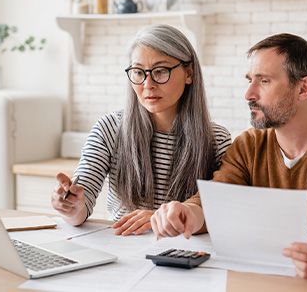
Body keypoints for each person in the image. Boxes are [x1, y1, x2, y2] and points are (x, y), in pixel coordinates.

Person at [150, 33, 307, 280]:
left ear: (304, 88)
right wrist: (187, 213)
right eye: (249, 81)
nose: (249, 94)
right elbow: (216, 199)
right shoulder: (249, 145)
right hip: (265, 280)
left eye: (264, 81)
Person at [51, 24, 232, 236]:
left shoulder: (217, 139)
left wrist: (158, 219)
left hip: (185, 253)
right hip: (124, 249)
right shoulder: (109, 128)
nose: (148, 84)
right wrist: (70, 205)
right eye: (138, 72)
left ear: (189, 73)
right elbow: (81, 208)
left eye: (161, 71)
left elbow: (222, 212)